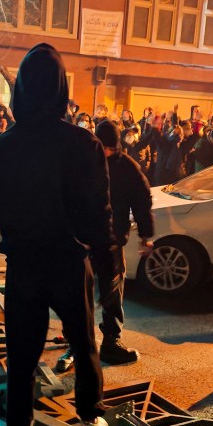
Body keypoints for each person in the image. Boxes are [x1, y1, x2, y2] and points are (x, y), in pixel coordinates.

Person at [0, 43, 113, 426]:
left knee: (23, 355)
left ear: (22, 91)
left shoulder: (1, 147)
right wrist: (108, 272)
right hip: (69, 262)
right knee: (83, 345)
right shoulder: (84, 143)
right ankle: (89, 419)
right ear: (63, 89)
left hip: (24, 265)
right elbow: (98, 216)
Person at [55, 121, 155, 373]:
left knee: (111, 293)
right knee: (78, 293)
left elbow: (142, 201)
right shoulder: (82, 163)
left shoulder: (128, 168)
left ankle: (111, 341)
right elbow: (65, 197)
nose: (106, 152)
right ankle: (75, 343)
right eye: (103, 147)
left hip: (112, 241)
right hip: (82, 242)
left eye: (110, 148)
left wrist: (146, 235)